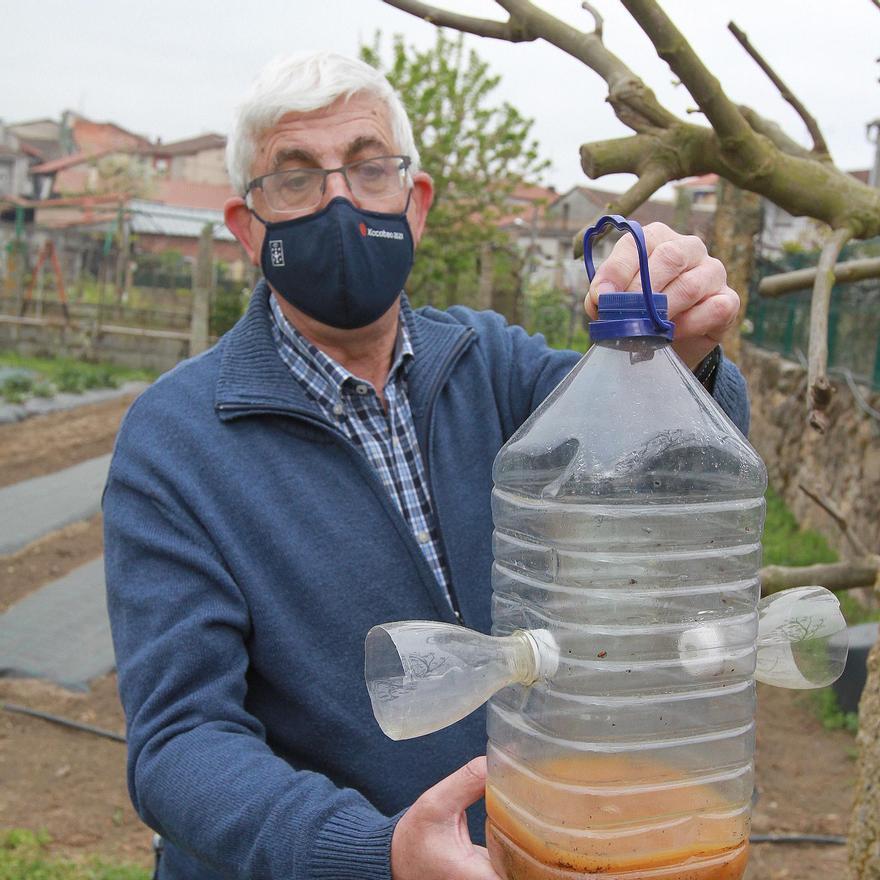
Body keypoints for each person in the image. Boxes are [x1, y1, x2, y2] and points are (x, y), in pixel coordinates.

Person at [103, 51, 749, 880]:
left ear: (416, 205)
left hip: (534, 844)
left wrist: (683, 354)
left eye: (370, 169)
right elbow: (180, 744)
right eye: (296, 179)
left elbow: (685, 463)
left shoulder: (495, 366)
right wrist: (380, 856)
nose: (340, 200)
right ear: (246, 227)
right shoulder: (177, 441)